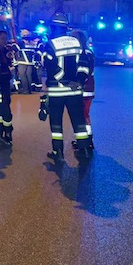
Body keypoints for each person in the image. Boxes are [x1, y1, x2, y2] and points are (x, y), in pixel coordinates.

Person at [42, 13, 92, 162]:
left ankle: (58, 152)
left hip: (57, 91)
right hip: (75, 91)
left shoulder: (50, 44)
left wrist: (64, 81)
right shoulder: (76, 42)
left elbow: (50, 66)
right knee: (79, 120)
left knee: (56, 122)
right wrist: (79, 81)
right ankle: (84, 149)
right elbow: (84, 64)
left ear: (53, 28)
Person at [71, 29, 95, 150]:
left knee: (82, 115)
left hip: (83, 87)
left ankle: (86, 141)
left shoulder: (84, 53)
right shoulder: (86, 52)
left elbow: (84, 71)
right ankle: (84, 140)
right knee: (82, 114)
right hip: (85, 87)